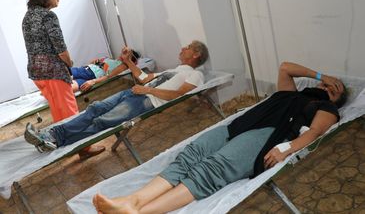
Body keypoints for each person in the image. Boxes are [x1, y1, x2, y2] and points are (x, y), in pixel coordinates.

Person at [91, 62, 347, 214]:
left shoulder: (326, 108)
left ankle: (138, 212)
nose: (328, 88)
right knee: (190, 156)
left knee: (211, 170)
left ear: (337, 99)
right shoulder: (291, 91)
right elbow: (285, 67)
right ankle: (132, 200)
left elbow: (314, 132)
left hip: (266, 137)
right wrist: (322, 76)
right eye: (328, 85)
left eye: (335, 89)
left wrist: (287, 149)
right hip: (238, 126)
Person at [24, 40, 209, 152]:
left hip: (146, 101)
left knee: (100, 122)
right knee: (94, 108)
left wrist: (148, 91)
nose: (184, 47)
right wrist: (128, 61)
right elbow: (144, 78)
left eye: (189, 47)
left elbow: (177, 95)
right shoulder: (174, 70)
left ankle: (54, 139)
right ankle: (51, 135)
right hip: (134, 93)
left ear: (196, 55)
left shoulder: (196, 74)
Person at [22, 0, 104, 160]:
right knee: (71, 113)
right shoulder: (48, 16)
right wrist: (70, 62)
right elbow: (60, 48)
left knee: (59, 113)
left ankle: (66, 145)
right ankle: (83, 148)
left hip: (38, 73)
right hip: (53, 72)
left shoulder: (28, 16)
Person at [70, 50, 140, 92]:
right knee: (62, 77)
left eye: (126, 54)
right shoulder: (111, 59)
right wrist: (98, 62)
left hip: (91, 76)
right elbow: (94, 62)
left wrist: (93, 81)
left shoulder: (123, 66)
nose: (123, 54)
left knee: (69, 88)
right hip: (85, 70)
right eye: (124, 53)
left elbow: (109, 76)